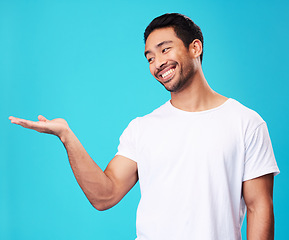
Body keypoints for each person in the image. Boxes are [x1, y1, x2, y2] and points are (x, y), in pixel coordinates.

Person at [9, 13, 279, 240]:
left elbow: (259, 208)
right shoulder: (142, 128)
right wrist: (67, 136)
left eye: (165, 49)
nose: (158, 63)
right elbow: (105, 195)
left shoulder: (246, 123)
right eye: (150, 57)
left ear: (195, 48)